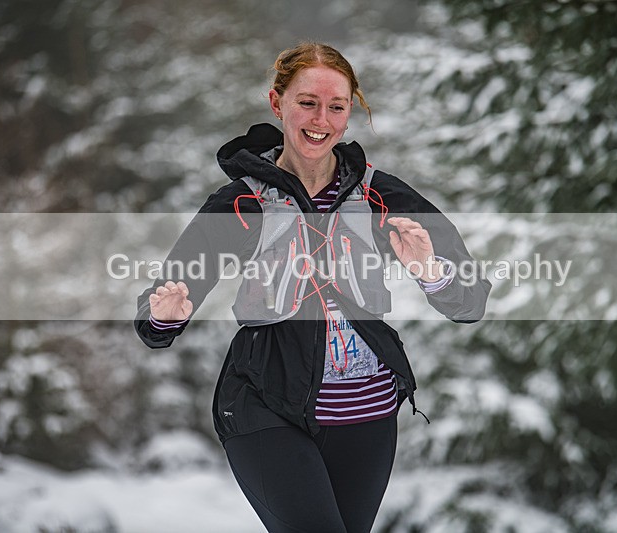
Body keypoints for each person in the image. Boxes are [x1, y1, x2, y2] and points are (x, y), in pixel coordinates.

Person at [135, 42, 491, 533]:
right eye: (307, 102)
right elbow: (157, 313)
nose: (321, 118)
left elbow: (471, 301)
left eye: (336, 106)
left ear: (350, 113)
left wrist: (432, 273)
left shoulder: (379, 194)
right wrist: (166, 314)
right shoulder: (242, 204)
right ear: (277, 102)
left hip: (367, 414)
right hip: (265, 406)